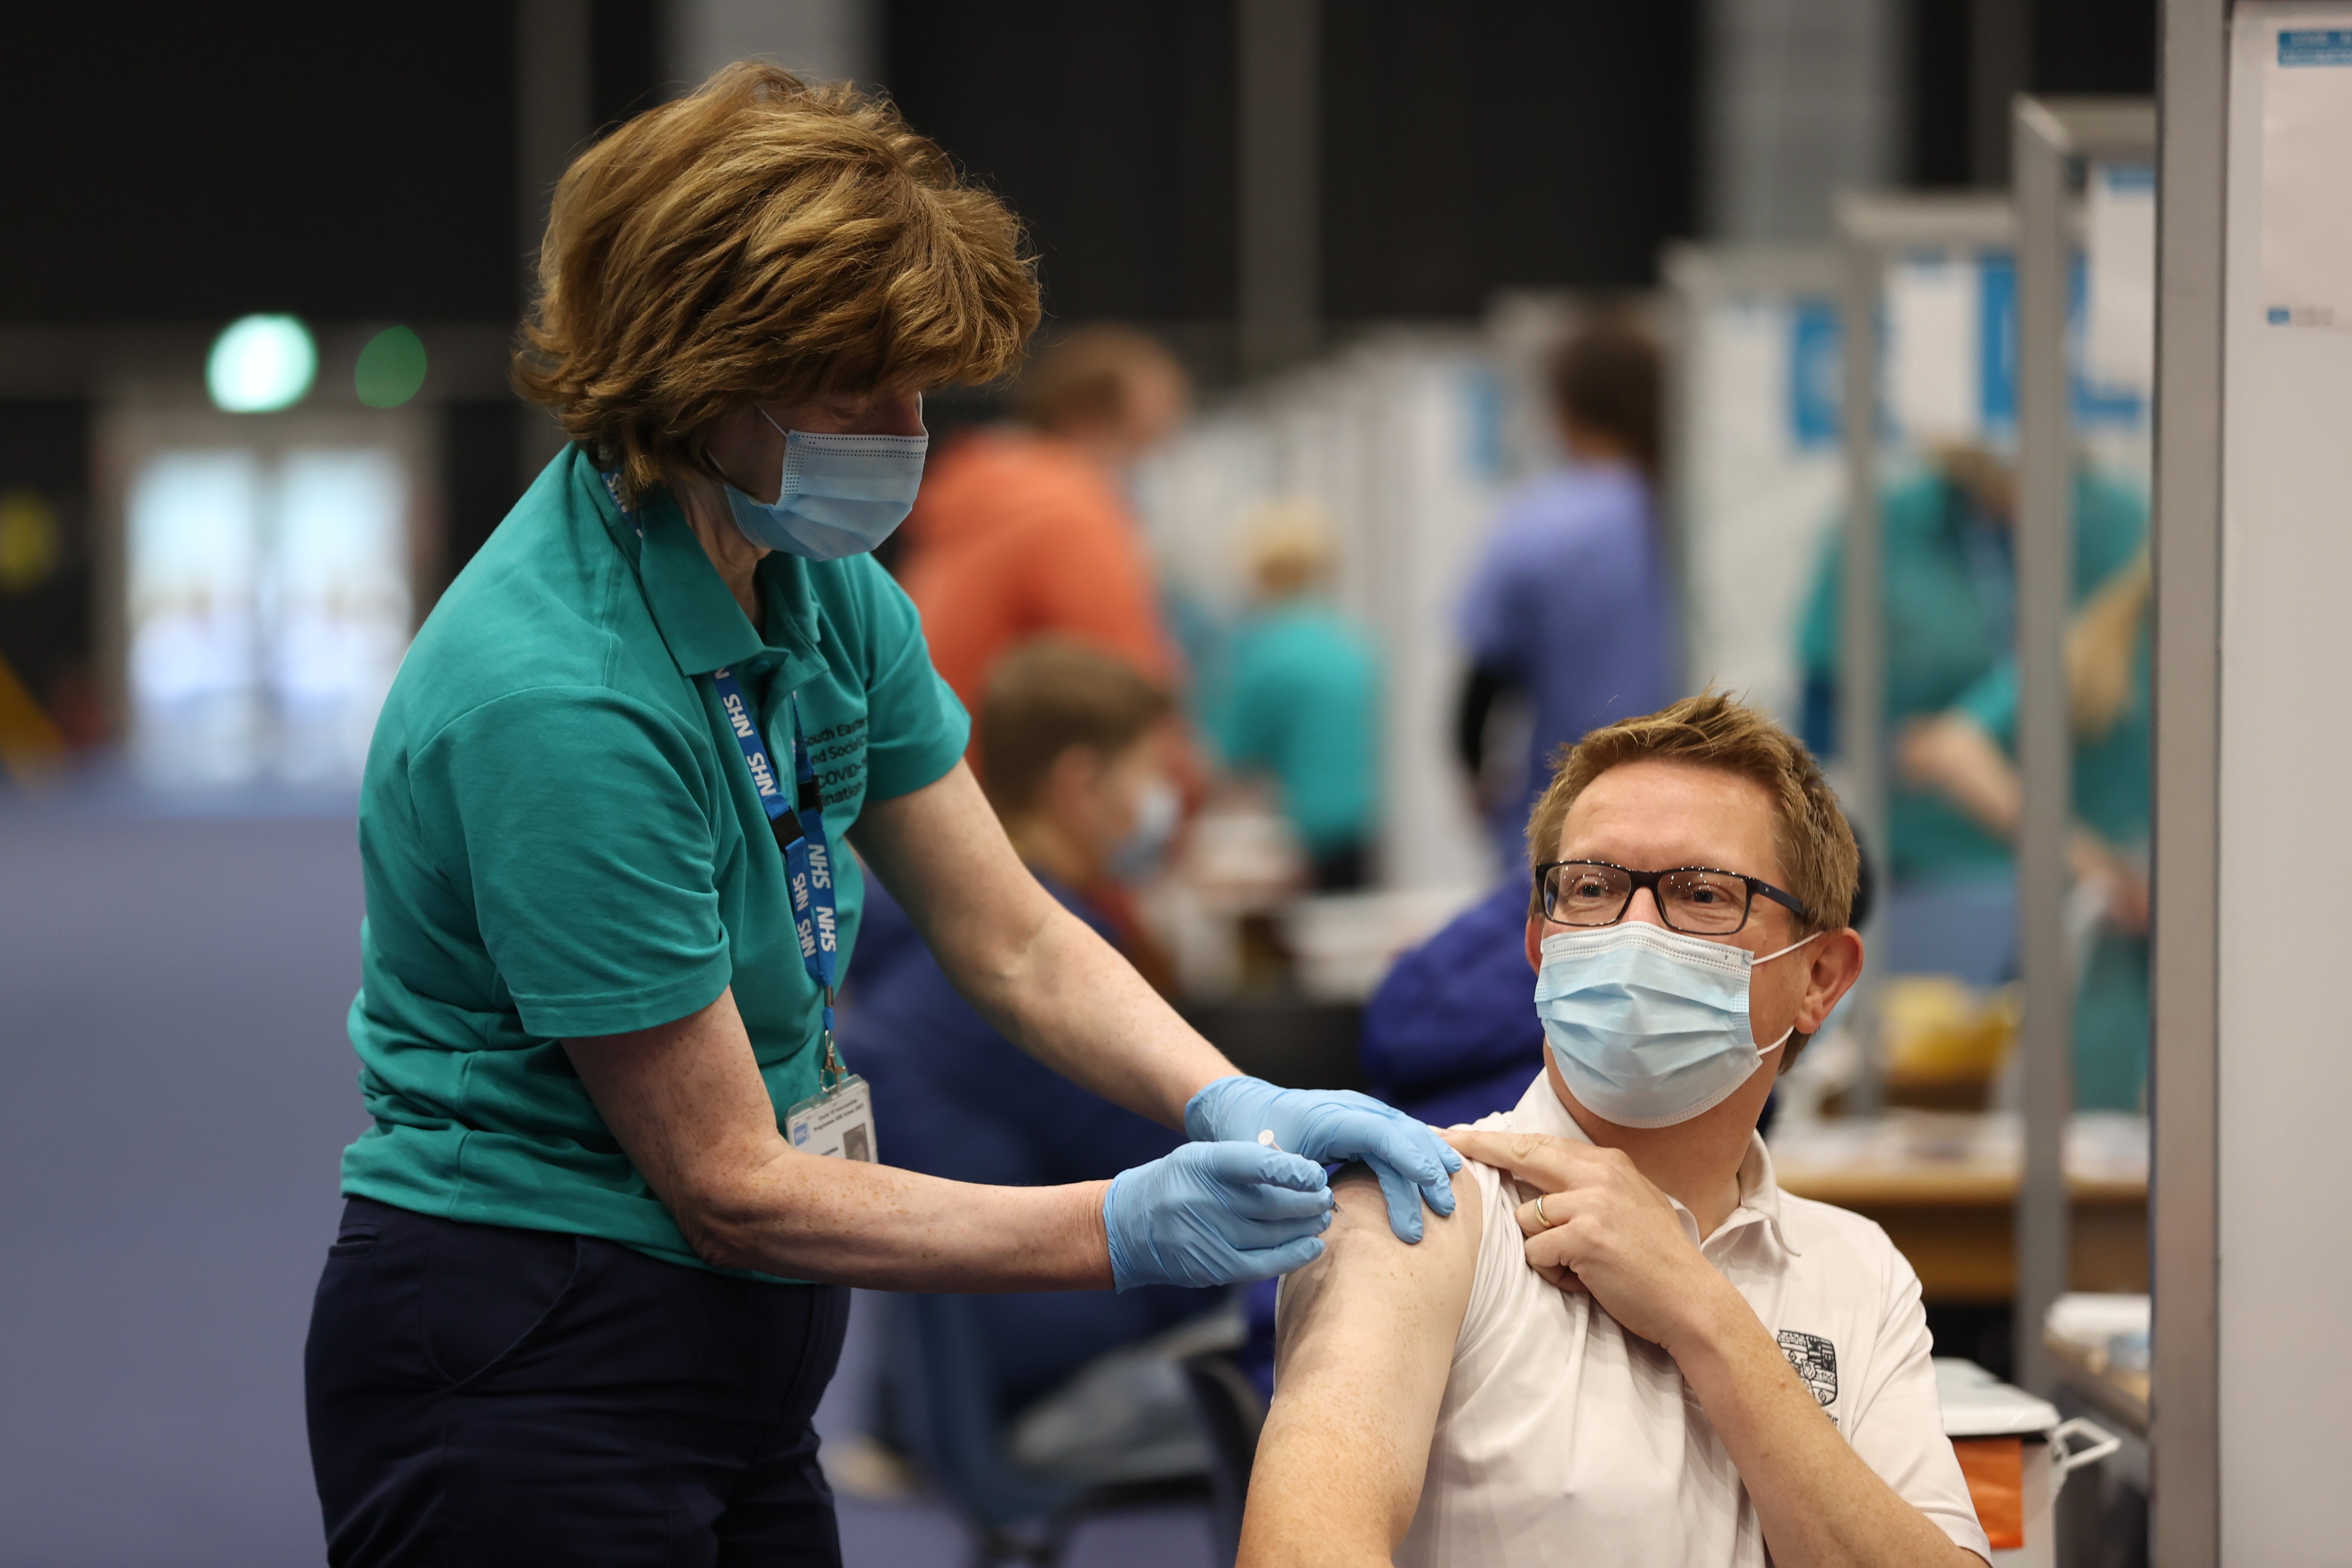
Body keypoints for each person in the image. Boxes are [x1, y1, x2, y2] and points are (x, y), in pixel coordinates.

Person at [302, 66, 1458, 1567]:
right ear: (698, 371)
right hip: (529, 1356)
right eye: (859, 390)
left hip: (744, 1346)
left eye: (923, 383)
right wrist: (1116, 1224)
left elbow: (1013, 936)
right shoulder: (559, 697)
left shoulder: (815, 580)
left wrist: (1224, 1091)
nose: (909, 431)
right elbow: (730, 1181)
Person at [1240, 693, 1991, 1568]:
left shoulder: (1855, 1270)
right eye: (1592, 890)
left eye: (1703, 894)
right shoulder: (1421, 1207)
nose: (1633, 933)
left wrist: (1702, 1312)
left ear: (1820, 977)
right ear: (1539, 942)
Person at [843, 640, 1210, 1423]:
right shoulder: (1052, 976)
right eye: (1151, 773)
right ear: (1080, 783)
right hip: (1050, 1340)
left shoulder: (922, 940)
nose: (1165, 801)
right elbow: (1182, 1186)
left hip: (965, 1352)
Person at [1796, 448, 2143, 889]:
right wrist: (1925, 751)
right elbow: (1825, 721)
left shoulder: (2124, 528)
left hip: (2109, 869)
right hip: (1933, 867)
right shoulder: (1888, 528)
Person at [1899, 554, 2151, 1110]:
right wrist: (2091, 861)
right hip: (2109, 971)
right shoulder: (2125, 648)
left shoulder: (2107, 645)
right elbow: (1947, 748)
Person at [894, 323, 1191, 731]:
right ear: (1086, 420)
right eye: (1145, 441)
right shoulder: (1066, 509)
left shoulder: (988, 489)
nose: (1151, 464)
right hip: (1014, 778)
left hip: (950, 759)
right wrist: (1186, 777)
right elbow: (1131, 680)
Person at [1455, 318, 1678, 857]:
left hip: (1574, 827)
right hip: (1695, 825)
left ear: (1565, 413)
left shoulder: (1539, 528)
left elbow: (1479, 695)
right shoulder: (1694, 515)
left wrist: (1478, 782)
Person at [1213, 502, 1381, 890]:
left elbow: (1233, 756)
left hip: (1297, 842)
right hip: (1359, 826)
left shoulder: (1265, 652)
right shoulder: (1353, 646)